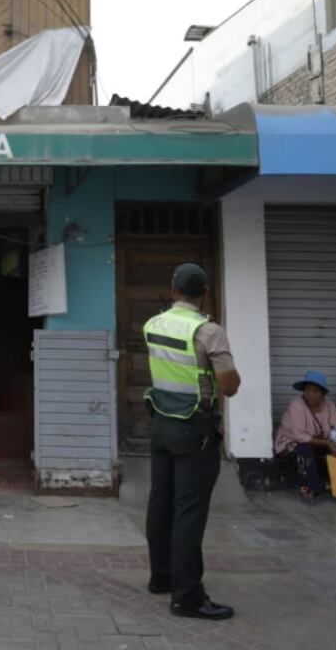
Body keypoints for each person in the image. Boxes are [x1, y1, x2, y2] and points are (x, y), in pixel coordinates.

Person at [143, 263, 240, 621]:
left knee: (161, 502)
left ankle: (161, 577)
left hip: (160, 423)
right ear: (206, 293)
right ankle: (187, 597)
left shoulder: (153, 324)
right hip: (194, 430)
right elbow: (229, 386)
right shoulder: (209, 331)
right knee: (189, 512)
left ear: (173, 289)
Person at [274, 370, 336, 504]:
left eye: (315, 391)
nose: (311, 394)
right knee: (304, 451)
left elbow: (334, 429)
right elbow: (299, 436)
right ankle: (308, 489)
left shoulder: (330, 405)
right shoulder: (297, 404)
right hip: (290, 444)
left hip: (317, 442)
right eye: (308, 390)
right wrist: (327, 443)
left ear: (323, 393)